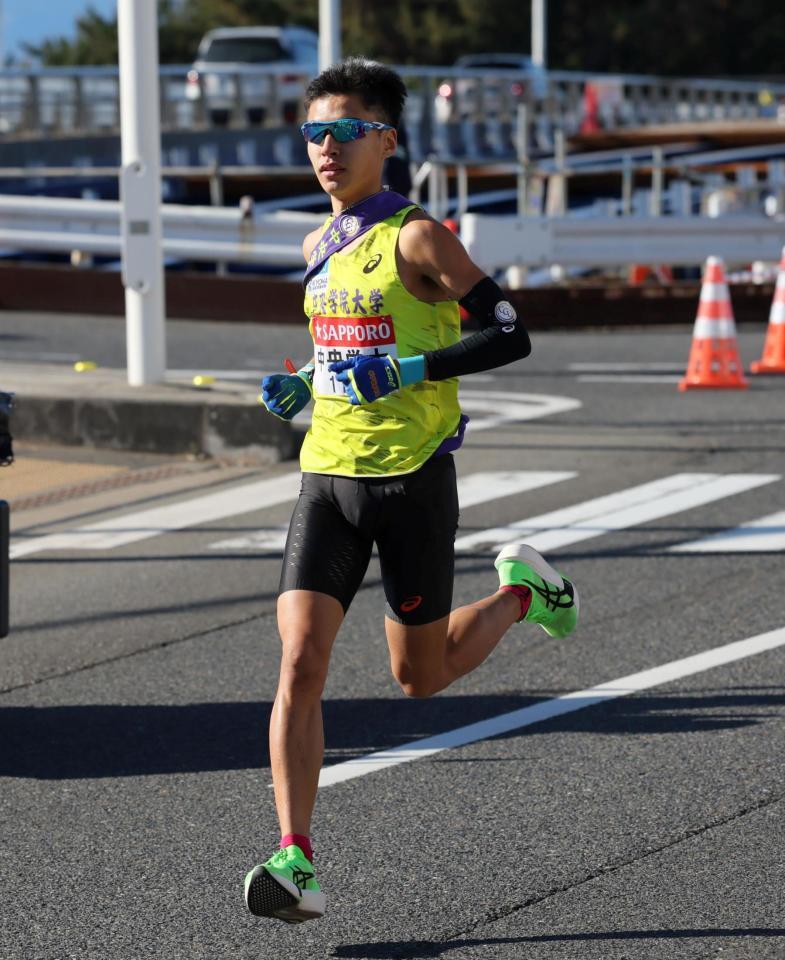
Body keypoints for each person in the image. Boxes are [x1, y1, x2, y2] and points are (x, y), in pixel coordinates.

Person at [244, 57, 579, 925]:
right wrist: (303, 384)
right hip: (327, 476)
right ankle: (295, 857)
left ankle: (521, 593)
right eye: (314, 132)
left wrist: (411, 369)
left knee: (417, 678)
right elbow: (342, 352)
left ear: (385, 141)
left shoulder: (419, 238)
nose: (326, 148)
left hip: (411, 480)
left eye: (344, 131)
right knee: (299, 662)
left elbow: (509, 334)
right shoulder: (315, 247)